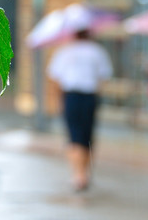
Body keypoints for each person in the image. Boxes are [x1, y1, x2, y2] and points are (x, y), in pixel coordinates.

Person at [47, 28, 113, 192]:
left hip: (72, 96)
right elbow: (104, 76)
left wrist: (58, 100)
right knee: (87, 136)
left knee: (73, 136)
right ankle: (85, 173)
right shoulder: (97, 51)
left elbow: (55, 77)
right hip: (89, 96)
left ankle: (77, 174)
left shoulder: (65, 52)